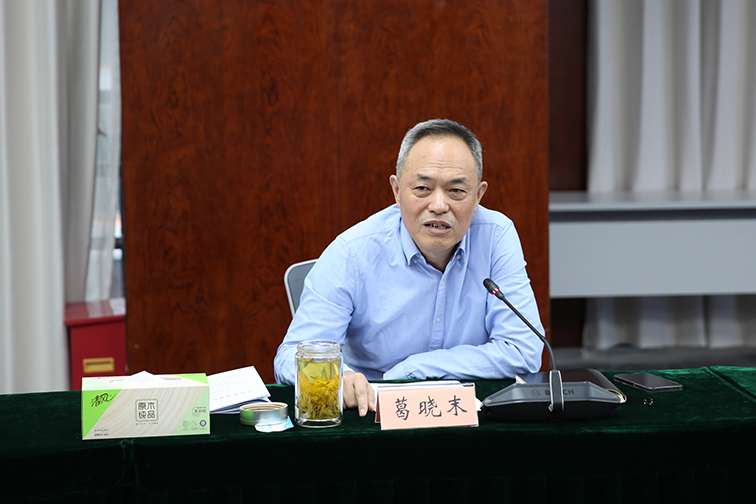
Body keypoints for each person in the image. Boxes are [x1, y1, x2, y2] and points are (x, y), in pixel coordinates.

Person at [273, 119, 544, 416]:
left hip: (466, 414)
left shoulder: (496, 236)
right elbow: (290, 357)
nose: (438, 205)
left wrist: (413, 369)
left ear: (478, 196)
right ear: (397, 191)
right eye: (423, 188)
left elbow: (523, 350)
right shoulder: (352, 252)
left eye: (456, 191)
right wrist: (343, 378)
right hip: (371, 415)